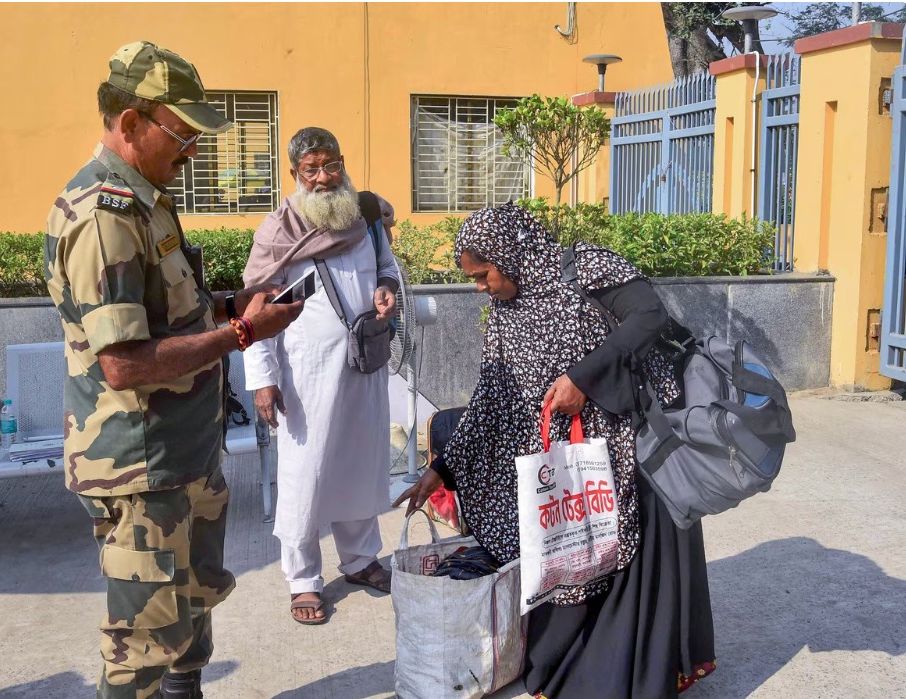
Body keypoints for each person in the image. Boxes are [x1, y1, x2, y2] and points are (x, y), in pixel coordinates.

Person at [45, 41, 304, 699]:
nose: (192, 151)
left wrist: (232, 305)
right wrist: (244, 334)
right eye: (182, 134)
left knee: (192, 606)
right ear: (132, 123)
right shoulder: (102, 216)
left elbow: (170, 312)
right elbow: (123, 362)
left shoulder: (148, 200)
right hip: (141, 465)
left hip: (185, 452)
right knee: (141, 647)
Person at [394, 202, 716, 698]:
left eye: (482, 275)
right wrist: (442, 469)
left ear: (510, 254)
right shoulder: (504, 313)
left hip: (631, 451)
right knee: (571, 562)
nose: (480, 288)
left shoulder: (585, 267)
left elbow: (649, 315)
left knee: (629, 570)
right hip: (566, 468)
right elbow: (491, 398)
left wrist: (583, 379)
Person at [242, 127, 399, 625]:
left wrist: (387, 288)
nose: (325, 177)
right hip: (305, 373)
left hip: (362, 364)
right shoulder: (278, 230)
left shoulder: (365, 213)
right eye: (312, 169)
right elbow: (255, 310)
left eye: (332, 165)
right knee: (304, 473)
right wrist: (263, 379)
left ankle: (360, 560)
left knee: (360, 461)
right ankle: (303, 579)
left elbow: (386, 265)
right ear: (295, 173)